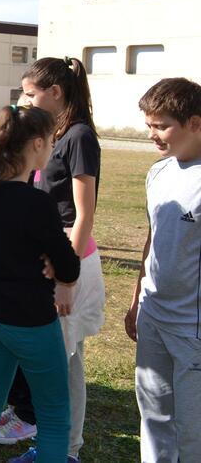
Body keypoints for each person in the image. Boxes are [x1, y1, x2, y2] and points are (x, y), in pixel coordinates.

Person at [0, 104, 80, 463]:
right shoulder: (37, 202)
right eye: (51, 141)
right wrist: (58, 268)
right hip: (32, 321)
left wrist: (50, 262)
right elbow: (67, 261)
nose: (53, 147)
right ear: (37, 144)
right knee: (55, 414)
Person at [0, 57, 104, 463]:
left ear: (55, 92)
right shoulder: (50, 132)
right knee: (63, 362)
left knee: (55, 363)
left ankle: (59, 451)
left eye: (31, 93)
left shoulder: (79, 136)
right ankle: (64, 450)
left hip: (69, 260)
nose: (25, 101)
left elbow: (84, 215)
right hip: (49, 257)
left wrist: (67, 274)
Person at [126, 78, 201, 463]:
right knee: (154, 417)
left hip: (192, 329)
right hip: (154, 316)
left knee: (192, 432)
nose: (153, 135)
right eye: (149, 126)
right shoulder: (158, 172)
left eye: (162, 126)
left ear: (195, 123)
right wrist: (137, 298)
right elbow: (153, 239)